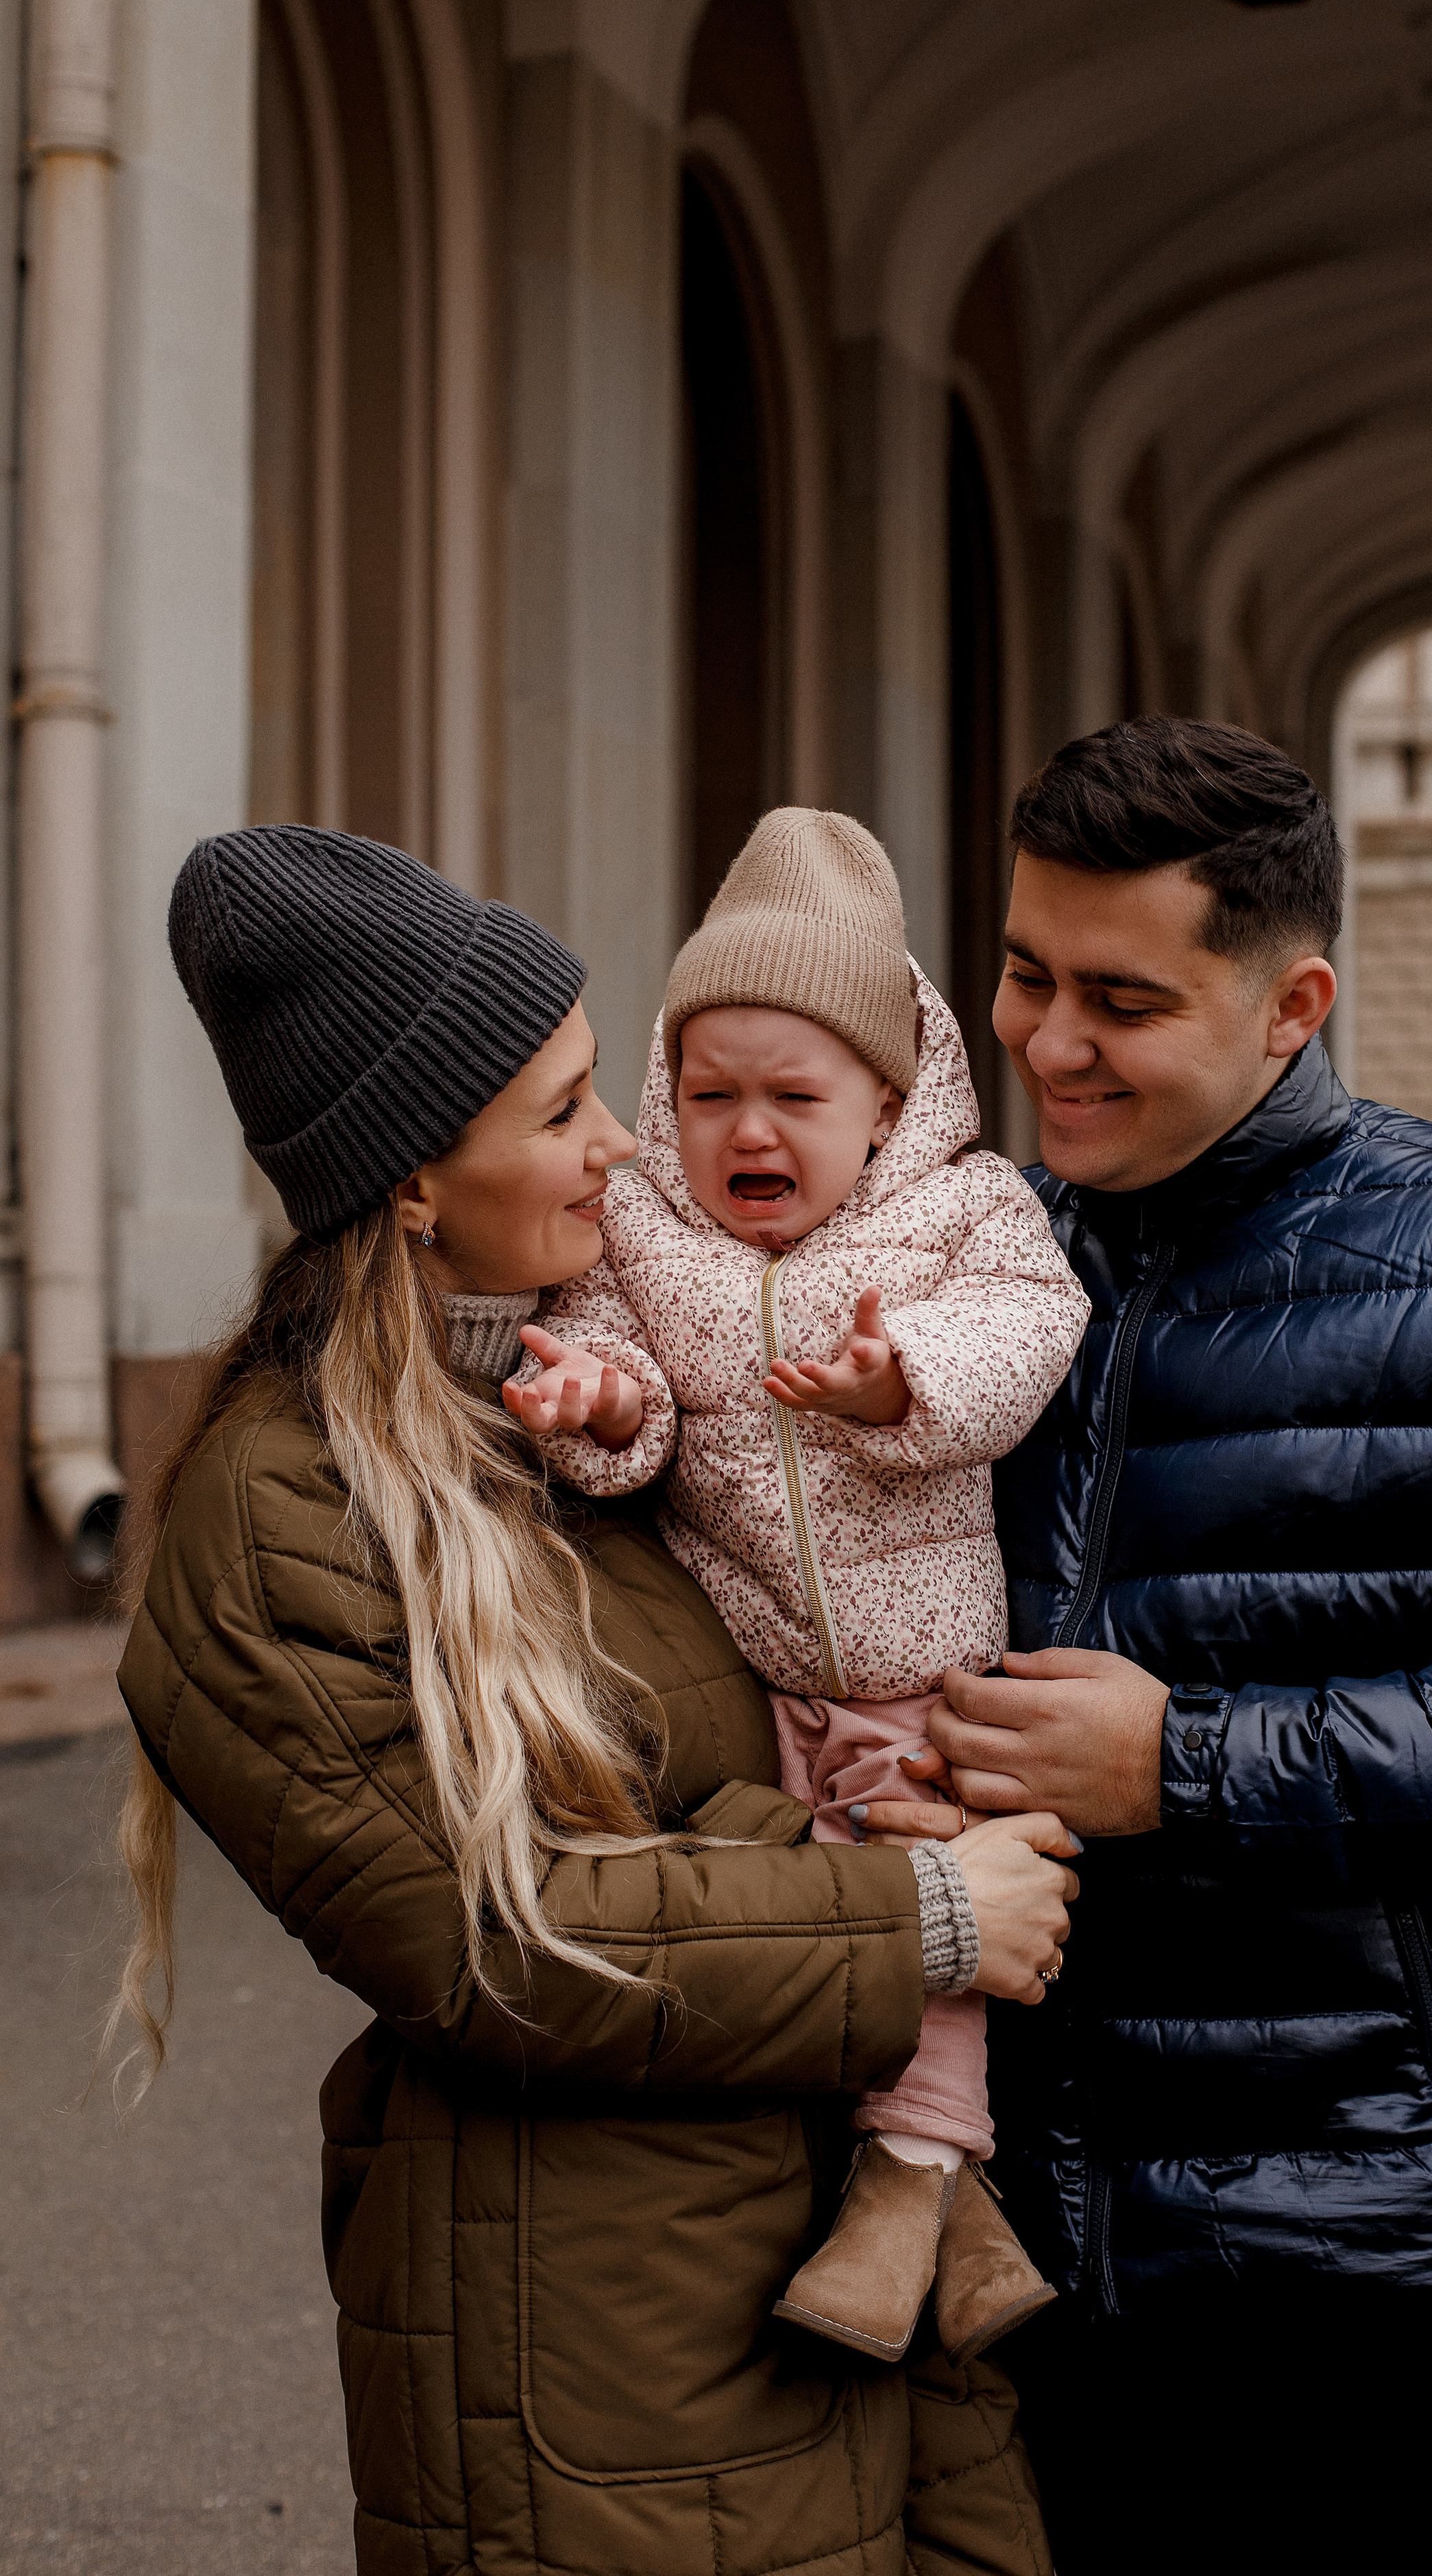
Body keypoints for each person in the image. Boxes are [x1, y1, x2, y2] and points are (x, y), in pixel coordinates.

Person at [108, 821, 1075, 2576]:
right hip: (595, 2384)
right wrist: (923, 1906)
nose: (626, 1142)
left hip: (812, 2294)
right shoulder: (286, 1510)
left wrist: (905, 1798)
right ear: (412, 1177)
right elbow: (495, 1935)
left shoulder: (587, 1412)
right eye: (564, 1111)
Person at [860, 717, 1432, 2576]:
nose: (1045, 1039)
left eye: (1122, 997)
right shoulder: (967, 1262)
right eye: (1023, 973)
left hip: (1401, 2252)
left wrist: (1183, 1768)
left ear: (1293, 1005)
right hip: (1027, 2239)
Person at [504, 805, 1089, 2368]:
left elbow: (1025, 1333)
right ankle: (954, 2225)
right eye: (710, 1095)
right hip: (749, 1662)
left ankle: (904, 2186)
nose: (747, 1134)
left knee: (922, 1888)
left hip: (921, 1667)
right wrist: (606, 1414)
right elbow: (623, 1377)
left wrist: (904, 1385)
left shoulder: (963, 1211)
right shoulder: (640, 1229)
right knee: (801, 1919)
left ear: (888, 1101)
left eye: (794, 1097)